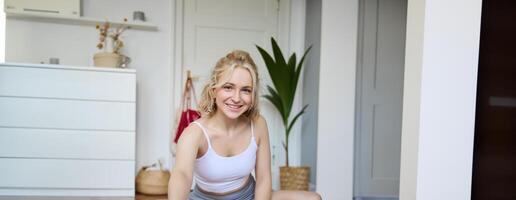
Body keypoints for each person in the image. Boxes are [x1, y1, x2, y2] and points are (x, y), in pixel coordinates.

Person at [168, 50, 321, 200]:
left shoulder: (258, 124)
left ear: (253, 95)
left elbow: (263, 179)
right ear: (214, 91)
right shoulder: (194, 133)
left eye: (246, 90)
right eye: (228, 87)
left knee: (314, 198)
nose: (236, 98)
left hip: (250, 195)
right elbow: (181, 175)